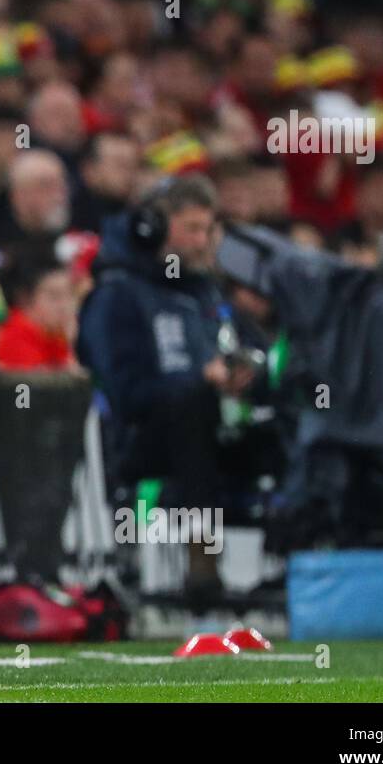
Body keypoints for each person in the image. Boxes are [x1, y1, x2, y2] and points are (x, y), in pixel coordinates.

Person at [77, 175, 253, 601]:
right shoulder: (117, 294)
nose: (203, 242)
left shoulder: (205, 292)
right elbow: (125, 394)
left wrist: (246, 374)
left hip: (214, 426)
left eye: (209, 230)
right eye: (192, 229)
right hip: (139, 440)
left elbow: (246, 347)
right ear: (154, 227)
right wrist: (198, 381)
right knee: (192, 404)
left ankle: (310, 552)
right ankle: (202, 560)